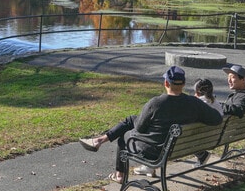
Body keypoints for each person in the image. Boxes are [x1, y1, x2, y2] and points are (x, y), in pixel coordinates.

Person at [79, 66, 223, 181]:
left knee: (124, 135)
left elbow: (140, 128)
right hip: (176, 147)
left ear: (166, 83)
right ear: (184, 84)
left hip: (154, 151)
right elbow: (217, 119)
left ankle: (118, 174)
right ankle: (99, 140)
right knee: (131, 120)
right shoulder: (194, 103)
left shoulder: (156, 103)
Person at [195, 64, 245, 166]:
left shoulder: (244, 97)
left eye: (232, 77)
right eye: (228, 78)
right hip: (236, 131)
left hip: (225, 133)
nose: (229, 81)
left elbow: (238, 109)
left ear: (243, 79)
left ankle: (201, 155)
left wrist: (215, 105)